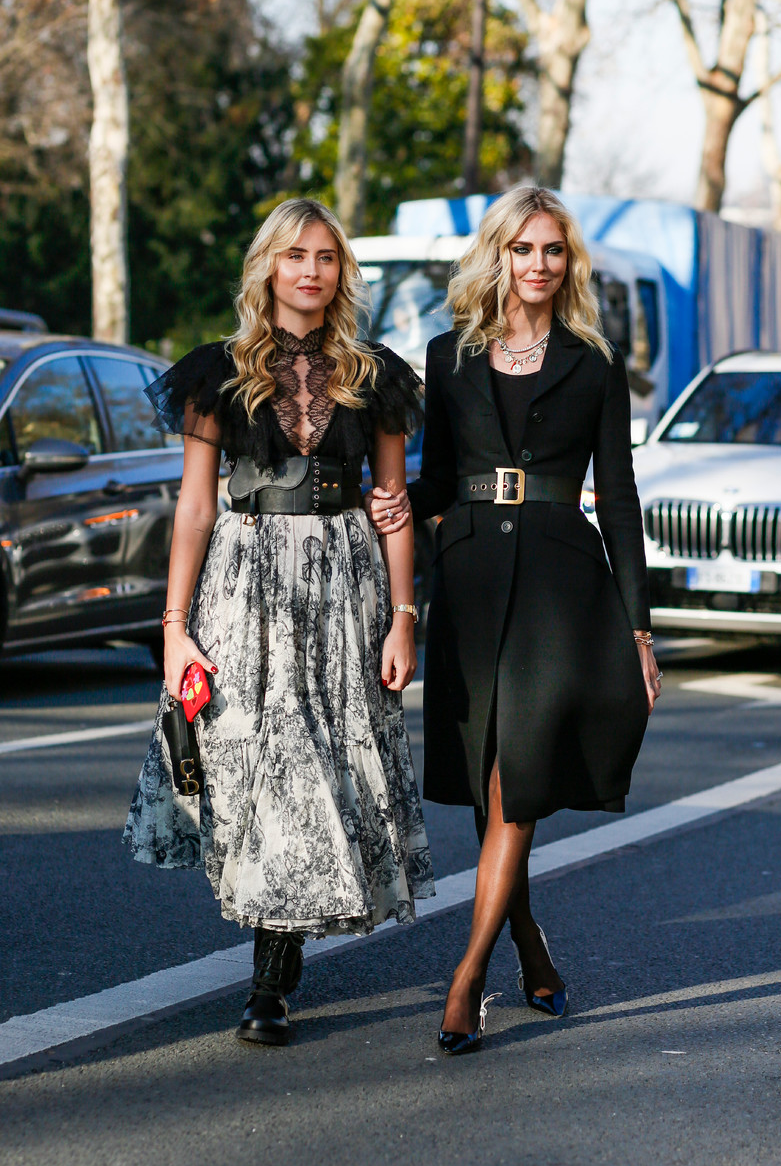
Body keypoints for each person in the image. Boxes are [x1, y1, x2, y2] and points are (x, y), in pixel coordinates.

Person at [123, 198, 434, 1046]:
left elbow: (393, 505)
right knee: (253, 757)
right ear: (267, 266)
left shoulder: (376, 374)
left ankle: (270, 980)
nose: (310, 270)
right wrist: (174, 626)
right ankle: (275, 949)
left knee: (317, 756)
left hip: (344, 585)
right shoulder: (216, 372)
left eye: (326, 257)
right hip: (243, 582)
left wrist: (403, 617)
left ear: (341, 273)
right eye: (295, 255)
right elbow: (195, 506)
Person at [367, 186, 660, 1055]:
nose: (539, 264)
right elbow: (440, 475)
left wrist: (640, 631)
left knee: (517, 779)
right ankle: (530, 945)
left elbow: (621, 499)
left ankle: (466, 980)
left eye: (553, 250)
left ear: (570, 262)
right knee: (489, 776)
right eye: (524, 248)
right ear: (498, 254)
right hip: (472, 581)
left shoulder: (594, 363)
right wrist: (396, 502)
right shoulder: (448, 355)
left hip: (561, 591)